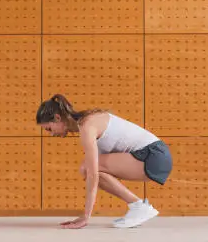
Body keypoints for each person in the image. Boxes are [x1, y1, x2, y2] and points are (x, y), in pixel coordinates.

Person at [36, 94, 173, 229]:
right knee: (89, 168)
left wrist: (86, 216)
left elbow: (92, 174)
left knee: (87, 168)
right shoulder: (88, 122)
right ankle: (138, 206)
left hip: (154, 155)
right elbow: (96, 172)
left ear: (57, 117)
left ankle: (139, 206)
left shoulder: (87, 126)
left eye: (49, 129)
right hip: (155, 156)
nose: (52, 134)